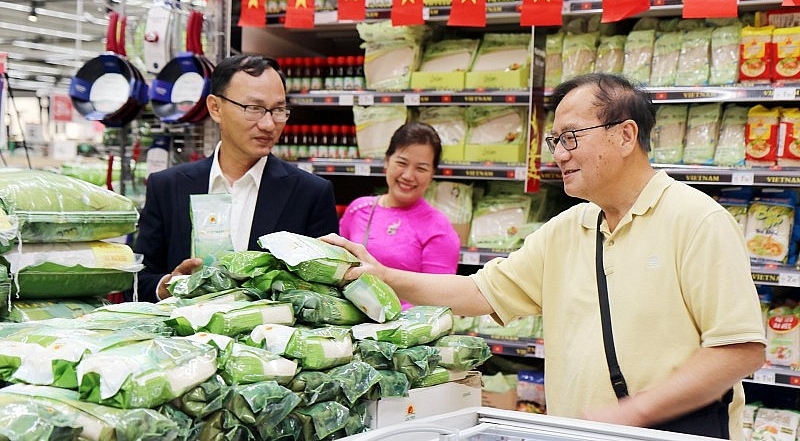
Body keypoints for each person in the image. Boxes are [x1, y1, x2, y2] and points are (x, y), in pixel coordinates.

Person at [323, 73, 766, 439]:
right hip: (576, 433)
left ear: (625, 135)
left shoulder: (697, 221)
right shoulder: (568, 229)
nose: (557, 154)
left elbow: (739, 350)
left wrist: (632, 414)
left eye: (570, 138)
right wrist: (383, 274)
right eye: (555, 140)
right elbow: (479, 291)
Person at [132, 54, 339, 302]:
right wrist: (166, 286)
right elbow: (136, 279)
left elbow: (327, 291)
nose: (268, 124)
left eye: (278, 110)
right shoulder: (168, 186)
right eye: (254, 109)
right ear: (215, 108)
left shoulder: (310, 194)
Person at [339, 121, 460, 308]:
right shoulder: (358, 210)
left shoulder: (439, 229)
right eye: (402, 163)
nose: (408, 175)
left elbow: (437, 300)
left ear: (432, 173)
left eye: (421, 168)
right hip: (352, 325)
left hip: (406, 331)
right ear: (387, 161)